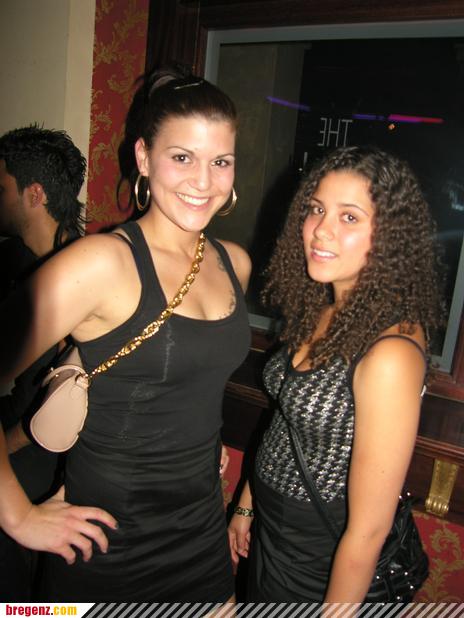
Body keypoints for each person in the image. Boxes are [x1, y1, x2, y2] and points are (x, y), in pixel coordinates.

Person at [1, 68, 251, 602]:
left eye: (220, 162)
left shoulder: (235, 263)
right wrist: (19, 516)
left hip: (201, 529)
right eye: (182, 157)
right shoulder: (100, 263)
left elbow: (194, 381)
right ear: (143, 157)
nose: (203, 181)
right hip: (107, 545)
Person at [228, 145, 442, 603]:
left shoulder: (390, 354)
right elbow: (287, 418)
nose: (320, 229)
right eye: (316, 209)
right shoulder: (325, 309)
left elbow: (367, 532)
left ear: (389, 236)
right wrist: (247, 503)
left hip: (321, 556)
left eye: (349, 217)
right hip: (272, 531)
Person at [0, 125, 117, 600]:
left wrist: (11, 443)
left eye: (1, 189)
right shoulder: (11, 260)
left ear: (34, 194)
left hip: (48, 454)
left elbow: (63, 410)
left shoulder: (85, 275)